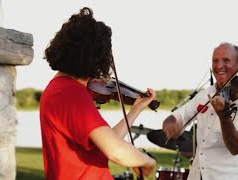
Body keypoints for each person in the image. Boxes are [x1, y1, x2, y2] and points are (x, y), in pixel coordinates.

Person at [40, 7, 156, 180]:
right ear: (94, 57)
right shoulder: (70, 94)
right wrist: (147, 160)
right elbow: (115, 151)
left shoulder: (61, 89)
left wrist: (135, 110)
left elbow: (107, 142)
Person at [162, 42, 238, 180]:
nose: (219, 66)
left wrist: (224, 117)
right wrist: (171, 121)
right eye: (215, 61)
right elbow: (182, 114)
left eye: (226, 60)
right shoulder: (205, 94)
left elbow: (236, 147)